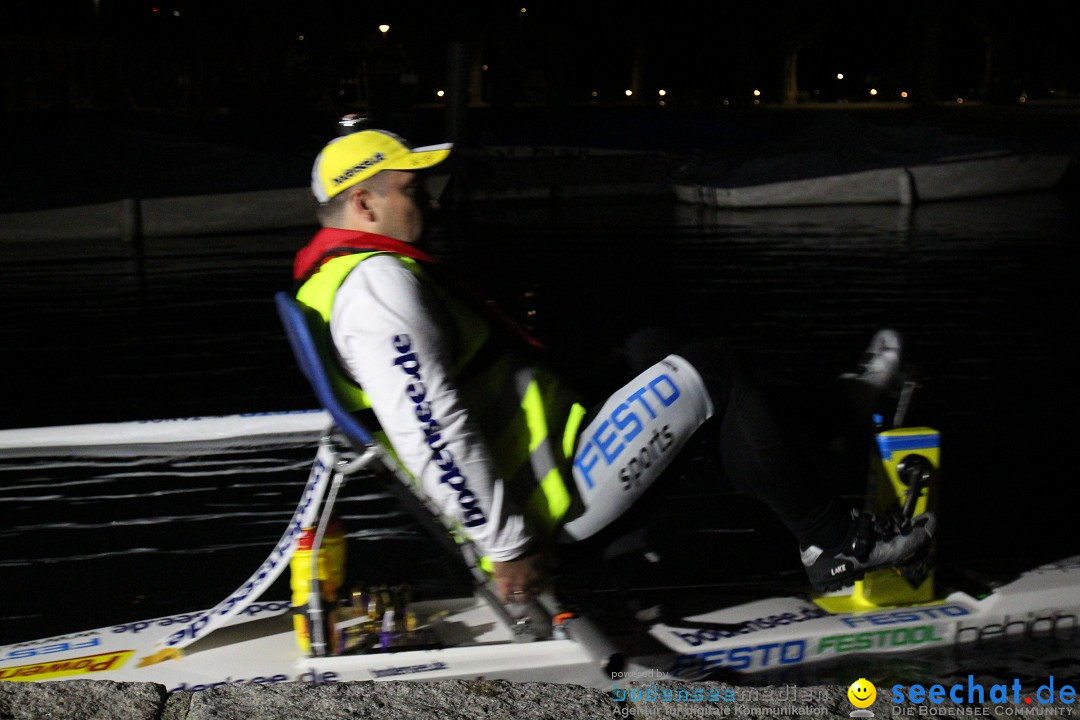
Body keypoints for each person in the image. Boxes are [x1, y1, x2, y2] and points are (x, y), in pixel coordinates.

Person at [291, 126, 936, 605]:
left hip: (540, 461)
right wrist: (509, 547)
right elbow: (429, 431)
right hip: (552, 498)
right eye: (412, 189)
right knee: (710, 371)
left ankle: (840, 410)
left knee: (650, 346)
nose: (429, 201)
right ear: (365, 205)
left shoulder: (340, 278)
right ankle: (838, 541)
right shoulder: (377, 291)